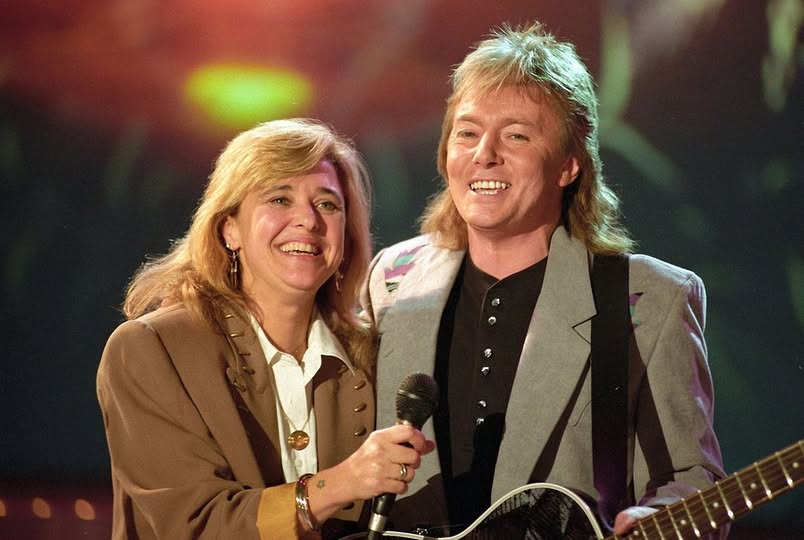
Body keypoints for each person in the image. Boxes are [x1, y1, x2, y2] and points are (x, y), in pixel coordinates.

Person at [360, 21, 727, 537]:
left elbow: (691, 480)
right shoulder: (391, 279)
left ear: (568, 165)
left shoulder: (648, 299)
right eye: (467, 133)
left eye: (516, 135)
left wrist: (660, 516)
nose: (484, 154)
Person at [97, 118, 433, 540]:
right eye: (279, 199)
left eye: (327, 204)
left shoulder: (369, 357)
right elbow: (193, 526)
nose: (308, 220)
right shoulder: (150, 349)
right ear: (229, 229)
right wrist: (341, 483)